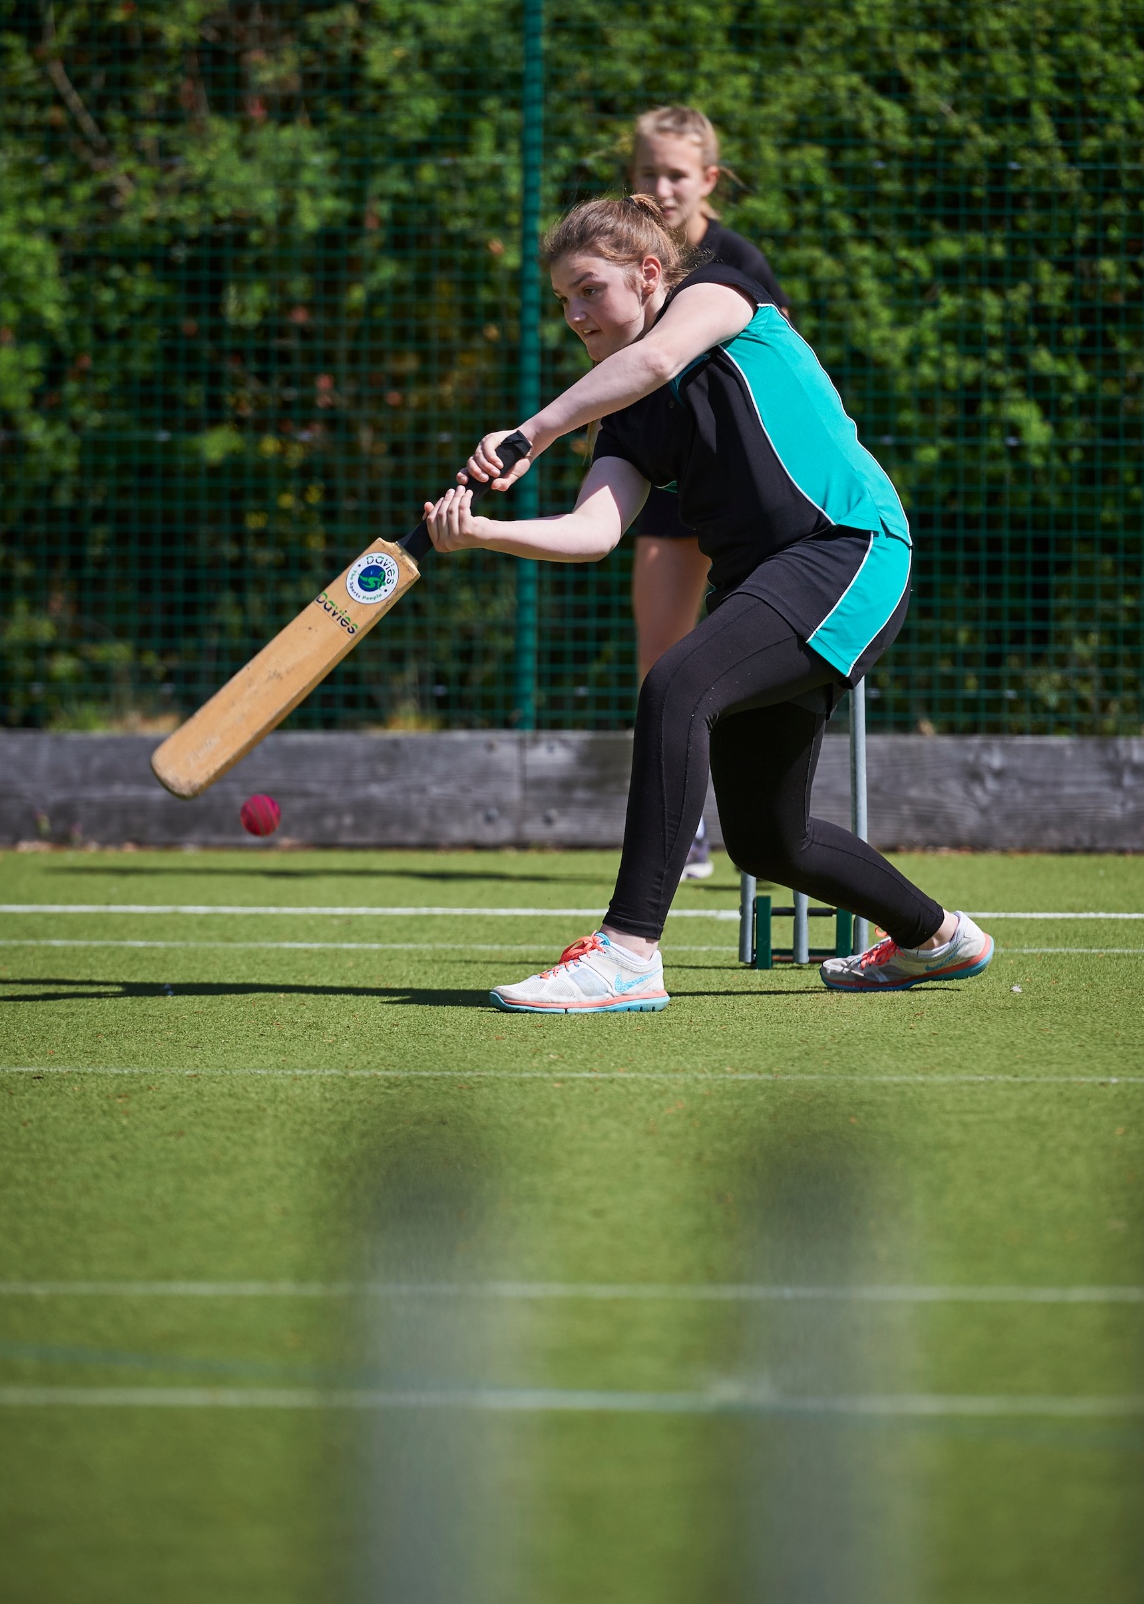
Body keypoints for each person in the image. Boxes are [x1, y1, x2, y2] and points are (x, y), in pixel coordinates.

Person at [424, 193, 993, 1011]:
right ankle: (936, 938)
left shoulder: (720, 294)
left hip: (846, 548)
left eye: (589, 289)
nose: (574, 314)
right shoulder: (621, 417)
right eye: (563, 300)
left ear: (649, 273)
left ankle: (627, 952)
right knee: (769, 839)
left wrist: (532, 433)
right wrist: (483, 533)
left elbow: (658, 360)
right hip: (767, 584)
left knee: (675, 685)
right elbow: (593, 533)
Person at [627, 106, 787, 881]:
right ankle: (680, 828)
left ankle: (766, 817)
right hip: (669, 483)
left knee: (750, 656)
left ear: (708, 179)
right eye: (647, 173)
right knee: (661, 658)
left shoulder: (737, 262)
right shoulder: (624, 259)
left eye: (676, 174)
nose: (661, 188)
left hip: (744, 489)